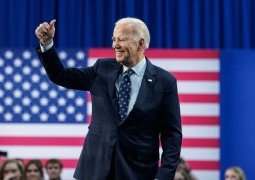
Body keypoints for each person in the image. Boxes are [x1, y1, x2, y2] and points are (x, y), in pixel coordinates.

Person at [35, 17, 182, 180]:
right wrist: (47, 44)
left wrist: (164, 176)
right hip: (95, 169)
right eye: (114, 40)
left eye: (122, 39)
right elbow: (60, 75)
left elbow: (172, 135)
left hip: (137, 171)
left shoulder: (165, 81)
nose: (115, 45)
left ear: (140, 44)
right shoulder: (102, 68)